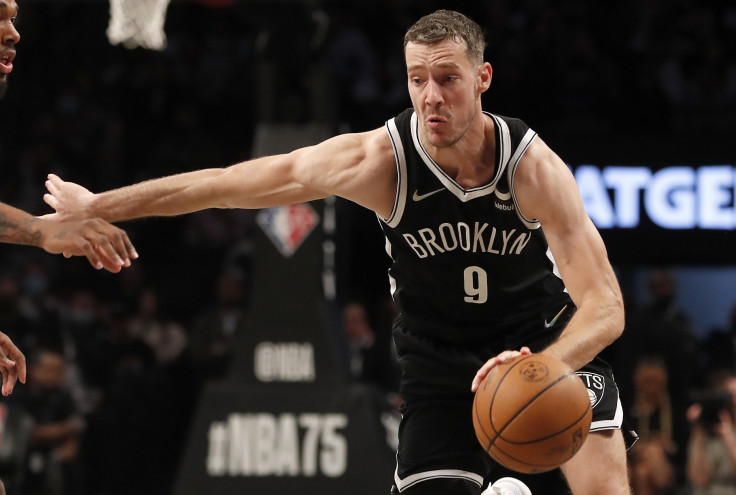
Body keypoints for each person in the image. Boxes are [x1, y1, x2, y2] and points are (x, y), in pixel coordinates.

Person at [43, 9, 634, 494]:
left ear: (482, 78)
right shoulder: (381, 161)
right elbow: (223, 185)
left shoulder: (531, 167)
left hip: (544, 344)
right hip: (438, 363)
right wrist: (100, 204)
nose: (431, 96)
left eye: (448, 79)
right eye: (416, 79)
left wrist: (549, 364)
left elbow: (606, 305)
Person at [686, 369, 736, 495]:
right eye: (730, 397)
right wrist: (697, 433)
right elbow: (698, 479)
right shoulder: (704, 432)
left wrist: (729, 438)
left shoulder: (729, 433)